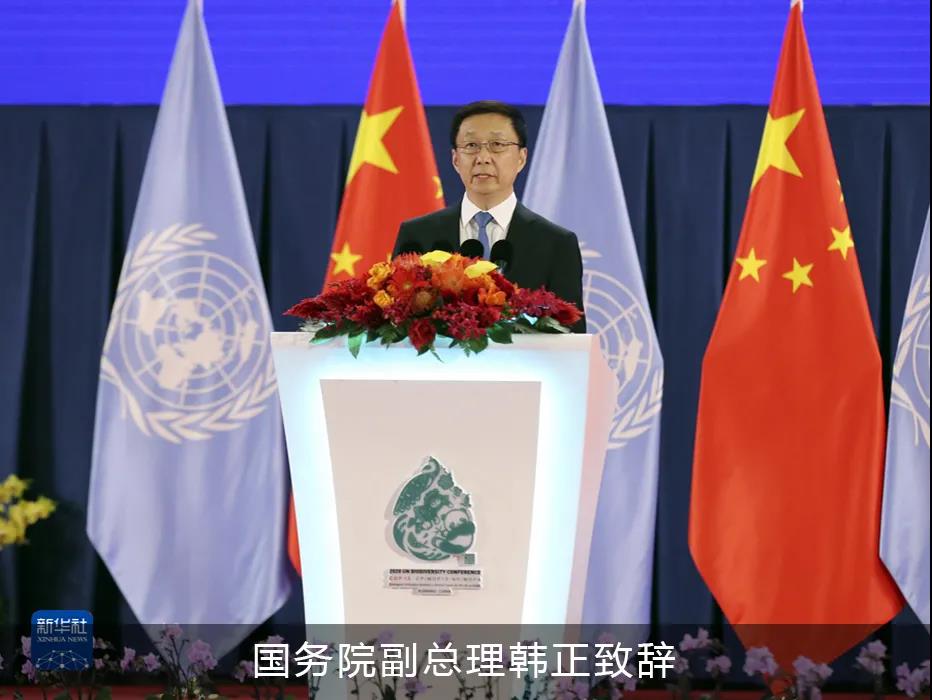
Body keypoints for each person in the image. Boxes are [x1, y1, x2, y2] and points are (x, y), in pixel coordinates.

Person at [392, 100, 586, 332]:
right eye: (471, 145)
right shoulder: (417, 235)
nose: (483, 157)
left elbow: (571, 335)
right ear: (455, 159)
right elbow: (395, 323)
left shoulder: (556, 243)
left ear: (521, 158)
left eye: (497, 145)